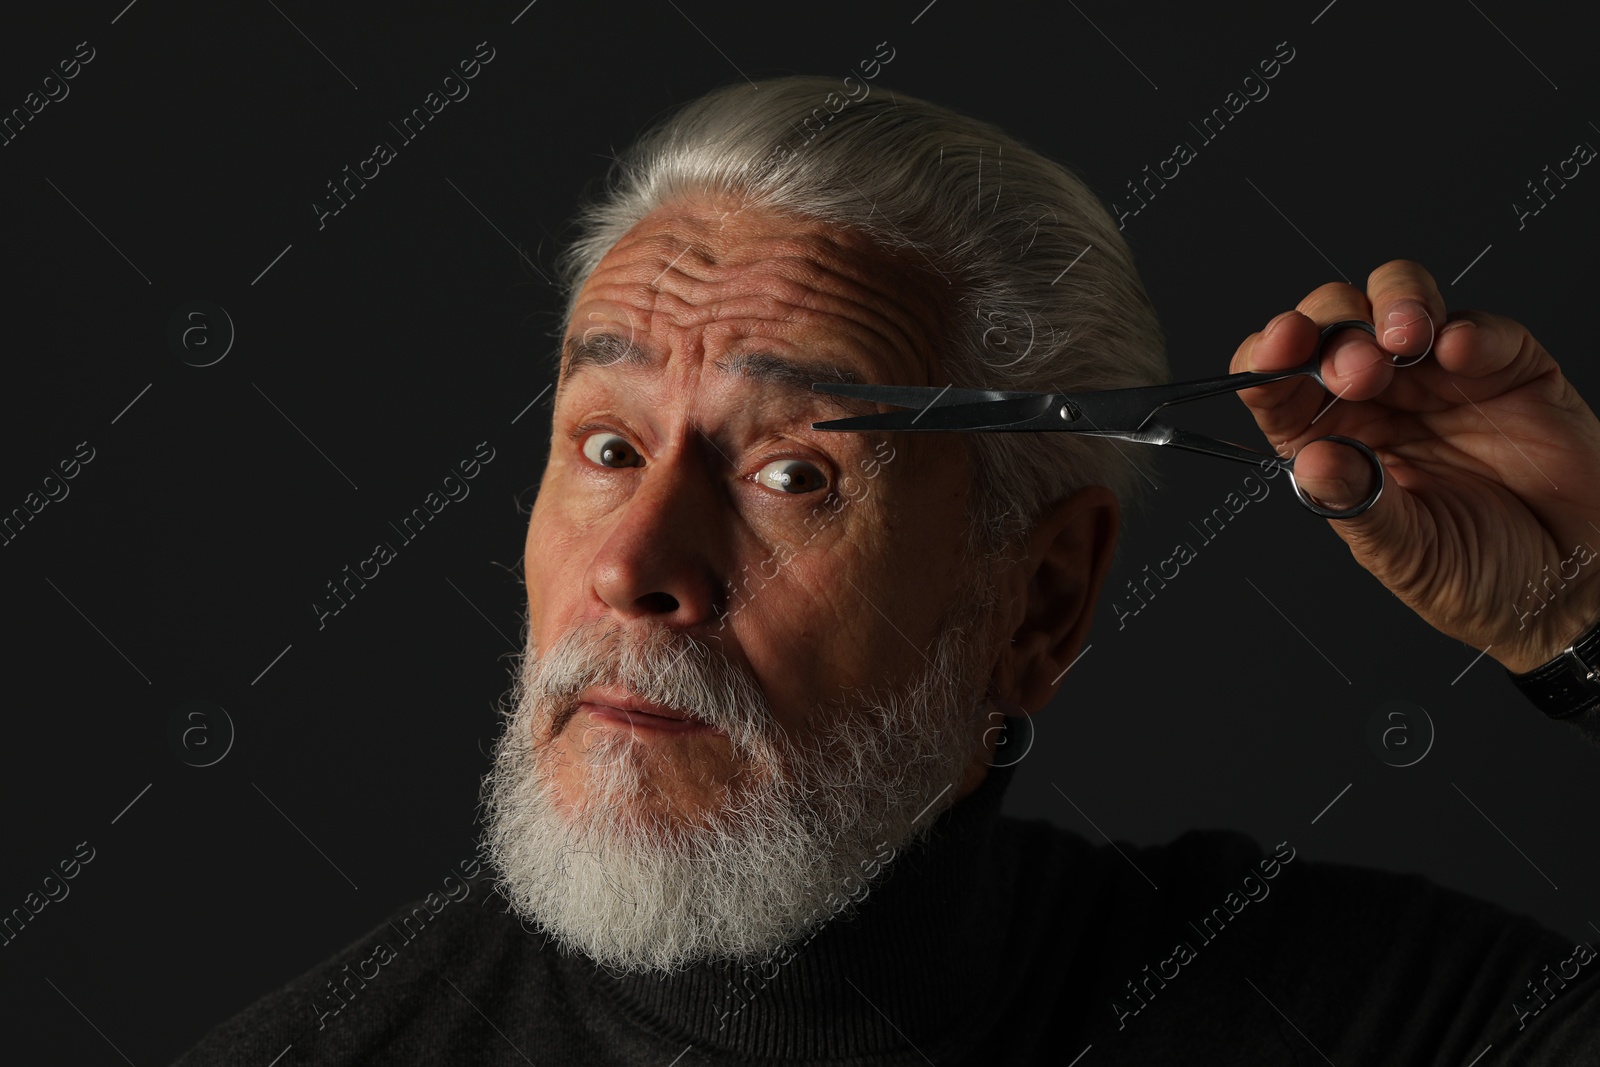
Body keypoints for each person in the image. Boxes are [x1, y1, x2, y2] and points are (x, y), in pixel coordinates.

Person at [173, 75, 1600, 1066]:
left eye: (795, 475)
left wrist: (1585, 611)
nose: (634, 569)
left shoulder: (1374, 1018)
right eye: (606, 447)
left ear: (1037, 604)